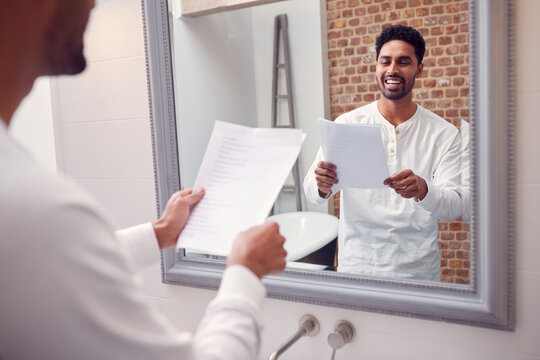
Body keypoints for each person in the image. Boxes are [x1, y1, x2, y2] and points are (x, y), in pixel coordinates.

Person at [0, 1, 287, 359]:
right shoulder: (34, 210)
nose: (94, 3)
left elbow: (60, 262)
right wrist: (245, 271)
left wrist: (161, 232)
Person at [304, 25, 463, 281]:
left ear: (419, 69)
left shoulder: (444, 134)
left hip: (417, 272)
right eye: (385, 61)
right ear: (376, 67)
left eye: (403, 62)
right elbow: (313, 192)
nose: (392, 70)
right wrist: (321, 184)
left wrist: (424, 189)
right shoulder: (347, 124)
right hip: (357, 267)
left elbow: (454, 207)